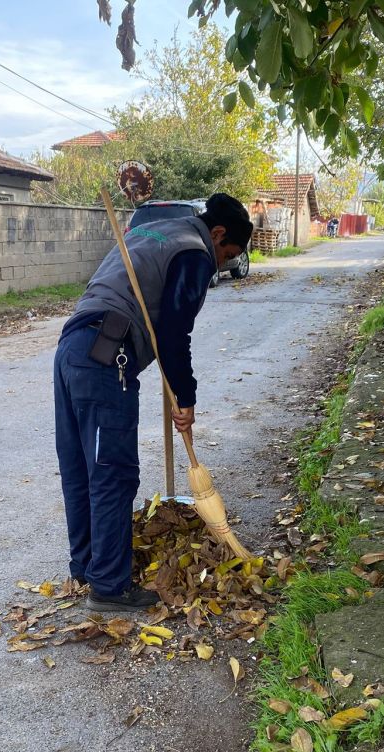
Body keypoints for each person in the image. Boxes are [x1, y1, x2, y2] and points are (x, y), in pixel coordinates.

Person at [53, 193, 254, 613]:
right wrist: (186, 397)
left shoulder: (156, 229)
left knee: (81, 467)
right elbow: (173, 333)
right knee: (113, 473)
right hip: (109, 354)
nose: (221, 264)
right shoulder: (194, 252)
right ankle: (108, 587)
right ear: (217, 234)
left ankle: (87, 567)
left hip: (72, 348)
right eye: (228, 253)